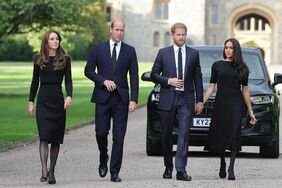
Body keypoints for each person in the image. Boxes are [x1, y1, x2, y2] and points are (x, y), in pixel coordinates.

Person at [84, 20, 139, 182]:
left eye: (122, 30)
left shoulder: (130, 51)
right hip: (102, 97)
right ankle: (103, 157)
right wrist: (103, 81)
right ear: (111, 30)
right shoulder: (98, 49)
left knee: (119, 137)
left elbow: (134, 76)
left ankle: (114, 171)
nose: (119, 33)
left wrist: (134, 99)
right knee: (101, 132)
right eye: (117, 29)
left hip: (121, 99)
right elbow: (88, 70)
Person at [150, 22, 203, 181]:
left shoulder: (193, 54)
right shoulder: (163, 53)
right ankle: (168, 166)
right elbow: (154, 74)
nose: (181, 37)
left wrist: (199, 100)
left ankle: (181, 170)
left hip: (185, 100)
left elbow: (197, 78)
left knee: (184, 134)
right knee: (166, 136)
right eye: (178, 35)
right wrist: (168, 81)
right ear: (172, 35)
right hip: (168, 98)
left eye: (183, 34)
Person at [203, 38, 257, 180]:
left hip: (236, 104)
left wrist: (250, 111)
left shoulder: (243, 68)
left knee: (234, 133)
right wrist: (201, 101)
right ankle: (222, 161)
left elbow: (245, 90)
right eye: (226, 47)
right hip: (221, 103)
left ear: (236, 50)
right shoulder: (217, 65)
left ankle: (231, 168)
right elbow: (211, 87)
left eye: (231, 48)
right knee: (222, 133)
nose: (228, 50)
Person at [28, 30, 73, 184]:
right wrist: (31, 101)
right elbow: (34, 82)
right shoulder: (38, 59)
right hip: (43, 100)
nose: (55, 41)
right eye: (52, 39)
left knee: (55, 139)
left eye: (57, 39)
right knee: (44, 136)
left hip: (58, 100)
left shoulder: (65, 59)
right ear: (46, 42)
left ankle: (52, 170)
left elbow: (68, 81)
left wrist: (69, 95)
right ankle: (44, 169)